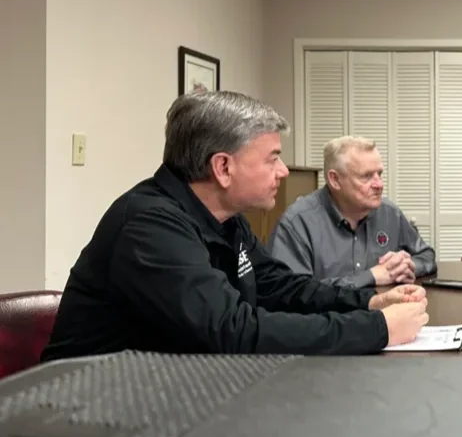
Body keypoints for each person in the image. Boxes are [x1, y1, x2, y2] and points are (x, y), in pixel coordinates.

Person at [40, 91, 429, 362]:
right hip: (87, 413)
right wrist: (376, 328)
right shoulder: (149, 226)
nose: (282, 171)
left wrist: (368, 302)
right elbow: (233, 332)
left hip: (162, 393)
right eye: (272, 158)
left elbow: (279, 287)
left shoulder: (225, 219)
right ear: (223, 167)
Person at [268, 136, 437, 290]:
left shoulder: (389, 213)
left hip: (385, 315)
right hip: (327, 320)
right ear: (335, 180)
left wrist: (408, 266)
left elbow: (426, 255)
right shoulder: (297, 223)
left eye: (379, 174)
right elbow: (292, 293)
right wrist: (371, 276)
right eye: (367, 176)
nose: (379, 184)